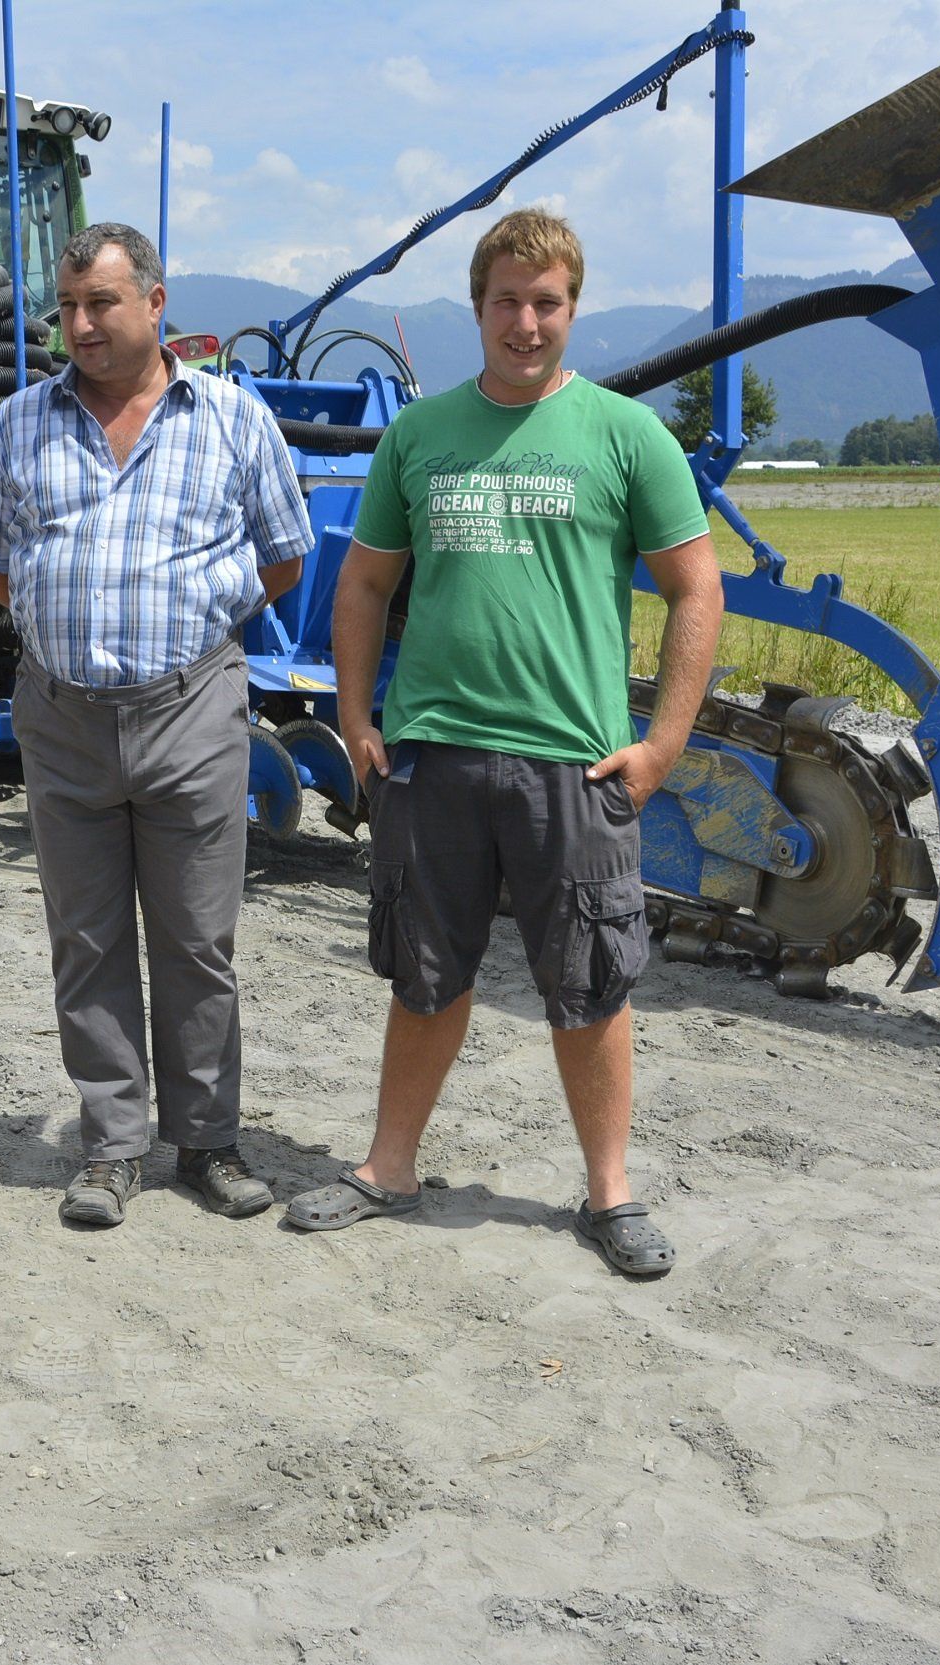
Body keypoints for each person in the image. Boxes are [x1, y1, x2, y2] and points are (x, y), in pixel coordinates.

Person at [284, 208, 724, 1278]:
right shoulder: (419, 436)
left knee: (592, 982)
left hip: (573, 761)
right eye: (507, 302)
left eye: (547, 303)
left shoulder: (627, 436)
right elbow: (365, 584)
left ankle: (610, 1194)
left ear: (573, 309)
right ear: (477, 307)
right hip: (434, 755)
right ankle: (389, 1168)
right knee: (424, 976)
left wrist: (663, 745)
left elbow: (696, 589)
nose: (526, 323)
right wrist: (356, 716)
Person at [0, 223, 314, 1228]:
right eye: (68, 306)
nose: (79, 324)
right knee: (87, 940)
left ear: (156, 305)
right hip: (64, 717)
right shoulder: (16, 425)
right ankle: (113, 1146)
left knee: (198, 940)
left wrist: (190, 628)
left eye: (101, 304)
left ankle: (206, 1144)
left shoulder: (234, 420)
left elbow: (283, 556)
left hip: (191, 708)